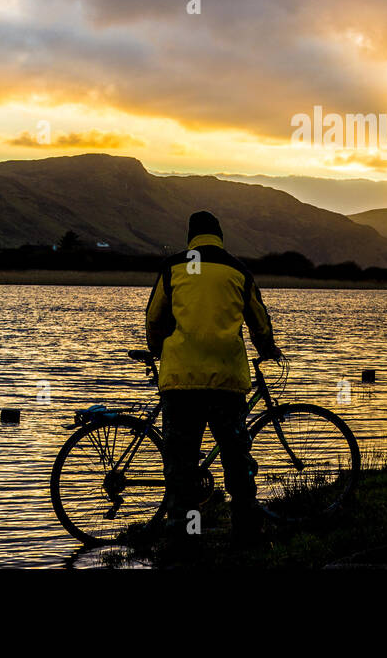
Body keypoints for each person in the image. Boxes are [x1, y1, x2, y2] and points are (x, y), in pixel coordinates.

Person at [145, 210, 282, 552]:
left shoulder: (174, 266)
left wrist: (160, 350)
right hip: (226, 381)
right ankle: (247, 536)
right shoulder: (237, 270)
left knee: (182, 465)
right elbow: (259, 322)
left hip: (181, 383)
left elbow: (153, 319)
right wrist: (267, 349)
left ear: (190, 236)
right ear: (220, 236)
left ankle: (183, 538)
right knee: (236, 461)